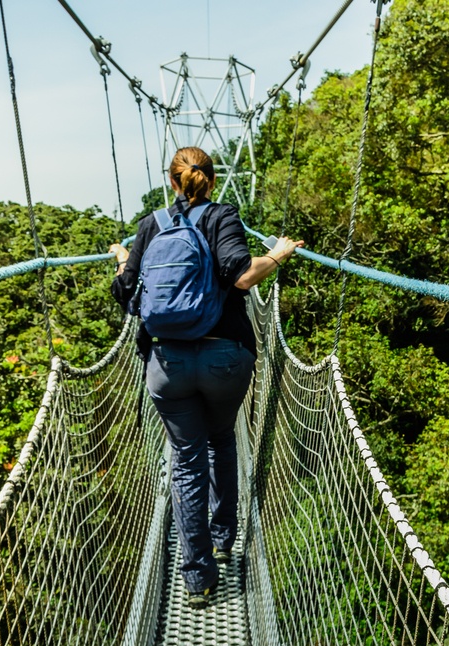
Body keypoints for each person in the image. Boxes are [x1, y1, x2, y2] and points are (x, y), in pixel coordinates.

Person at [109, 146, 304, 607]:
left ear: (172, 182)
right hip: (224, 360)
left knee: (186, 460)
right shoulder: (222, 216)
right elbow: (241, 277)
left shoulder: (150, 224)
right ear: (210, 181)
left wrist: (122, 257)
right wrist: (277, 255)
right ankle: (222, 539)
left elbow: (125, 292)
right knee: (222, 440)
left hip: (167, 365)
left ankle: (198, 579)